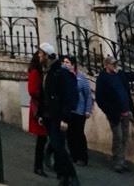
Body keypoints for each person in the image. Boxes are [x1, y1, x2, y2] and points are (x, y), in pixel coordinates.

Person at [37, 42, 80, 186]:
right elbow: (44, 95)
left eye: (40, 53)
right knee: (57, 147)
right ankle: (63, 176)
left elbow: (67, 96)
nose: (38, 56)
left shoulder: (61, 73)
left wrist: (65, 118)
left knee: (58, 147)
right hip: (49, 115)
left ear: (47, 55)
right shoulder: (47, 71)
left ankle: (72, 176)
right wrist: (41, 114)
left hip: (58, 116)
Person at [95, 55, 134, 173]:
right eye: (113, 64)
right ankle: (118, 162)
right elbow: (100, 99)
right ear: (106, 65)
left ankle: (121, 159)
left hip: (126, 111)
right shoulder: (102, 78)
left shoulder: (120, 75)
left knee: (124, 137)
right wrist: (110, 111)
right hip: (115, 114)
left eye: (116, 63)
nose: (115, 66)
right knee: (118, 137)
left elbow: (133, 76)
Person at [63, 55, 93, 167]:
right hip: (69, 110)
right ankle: (73, 155)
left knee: (79, 134)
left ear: (73, 64)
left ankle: (82, 157)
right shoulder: (64, 77)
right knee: (70, 134)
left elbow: (88, 94)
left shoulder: (81, 77)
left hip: (80, 110)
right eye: (64, 62)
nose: (65, 64)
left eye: (67, 62)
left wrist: (88, 110)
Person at [28, 50, 50, 177]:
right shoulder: (35, 72)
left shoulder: (41, 71)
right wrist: (44, 97)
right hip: (39, 108)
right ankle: (38, 166)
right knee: (42, 139)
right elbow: (32, 90)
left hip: (42, 107)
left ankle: (42, 164)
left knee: (45, 138)